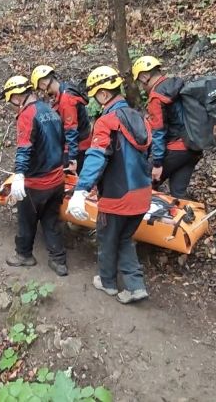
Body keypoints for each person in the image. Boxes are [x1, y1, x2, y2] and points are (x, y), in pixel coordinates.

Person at [66, 66, 153, 304]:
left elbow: (96, 156)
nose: (96, 99)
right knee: (124, 238)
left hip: (118, 196)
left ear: (104, 94)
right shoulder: (140, 117)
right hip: (143, 194)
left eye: (95, 94)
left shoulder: (107, 121)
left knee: (106, 238)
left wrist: (81, 189)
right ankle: (135, 286)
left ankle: (107, 283)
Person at [1, 75, 68, 277]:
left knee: (26, 220)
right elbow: (63, 141)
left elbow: (24, 148)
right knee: (51, 220)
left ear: (17, 97)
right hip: (57, 180)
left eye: (11, 100)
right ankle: (59, 261)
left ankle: (23, 255)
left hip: (36, 182)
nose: (12, 105)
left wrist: (19, 174)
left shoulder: (27, 115)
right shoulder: (50, 110)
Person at [133, 56, 200, 199]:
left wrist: (157, 164)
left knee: (142, 183)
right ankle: (194, 218)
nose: (142, 87)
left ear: (145, 76)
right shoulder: (174, 87)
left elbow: (159, 132)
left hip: (176, 149)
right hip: (193, 148)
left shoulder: (157, 97)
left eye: (140, 82)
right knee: (179, 194)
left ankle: (139, 219)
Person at [30, 65, 92, 173]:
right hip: (80, 141)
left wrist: (72, 158)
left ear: (44, 84)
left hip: (79, 146)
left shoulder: (66, 100)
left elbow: (71, 130)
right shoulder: (65, 89)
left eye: (40, 88)